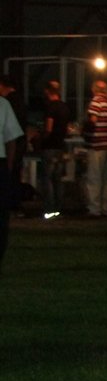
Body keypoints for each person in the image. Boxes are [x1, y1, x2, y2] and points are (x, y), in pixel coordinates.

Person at [83, 80, 107, 216]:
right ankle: (106, 207)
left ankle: (94, 208)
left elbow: (93, 120)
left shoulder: (96, 101)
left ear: (93, 89)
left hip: (96, 144)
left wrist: (85, 130)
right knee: (106, 178)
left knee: (94, 177)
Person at [40, 81, 71, 219]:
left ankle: (49, 208)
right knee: (58, 179)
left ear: (47, 91)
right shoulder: (64, 107)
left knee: (47, 178)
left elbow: (48, 128)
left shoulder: (50, 107)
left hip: (50, 146)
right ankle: (58, 208)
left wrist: (41, 138)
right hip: (60, 146)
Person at [1, 95, 24, 273]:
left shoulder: (3, 103)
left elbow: (11, 139)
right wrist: (8, 165)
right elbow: (12, 138)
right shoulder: (3, 104)